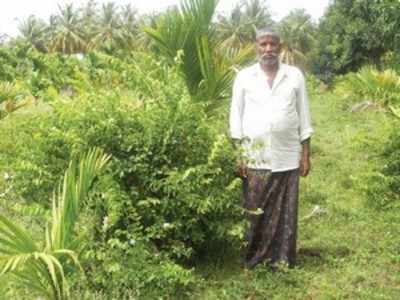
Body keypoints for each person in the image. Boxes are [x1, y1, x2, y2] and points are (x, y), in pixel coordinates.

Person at [229, 27, 313, 269]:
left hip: (287, 156)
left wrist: (305, 155)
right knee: (254, 211)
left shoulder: (294, 75)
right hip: (254, 158)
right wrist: (239, 155)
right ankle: (253, 258)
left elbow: (304, 116)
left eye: (272, 45)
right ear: (256, 47)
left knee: (286, 212)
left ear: (280, 47)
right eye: (263, 44)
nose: (268, 49)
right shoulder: (244, 77)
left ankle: (283, 259)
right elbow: (236, 118)